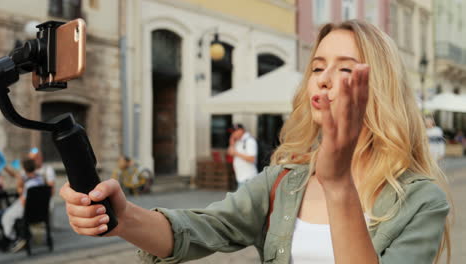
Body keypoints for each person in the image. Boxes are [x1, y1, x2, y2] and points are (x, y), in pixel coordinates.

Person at [59, 20, 452, 264]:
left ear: (378, 87)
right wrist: (124, 218)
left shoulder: (421, 201)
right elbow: (202, 228)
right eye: (317, 67)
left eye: (345, 68)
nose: (323, 77)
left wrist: (338, 186)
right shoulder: (285, 180)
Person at [0, 159, 44, 252]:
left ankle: (16, 239)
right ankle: (20, 236)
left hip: (27, 212)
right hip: (40, 212)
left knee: (5, 217)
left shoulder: (28, 184)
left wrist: (20, 187)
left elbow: (23, 202)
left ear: (24, 169)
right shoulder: (40, 179)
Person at [227, 124, 258, 189]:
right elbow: (230, 152)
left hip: (248, 179)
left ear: (241, 131)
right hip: (241, 178)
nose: (233, 134)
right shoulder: (239, 141)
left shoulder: (249, 141)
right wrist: (232, 141)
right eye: (232, 132)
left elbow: (252, 158)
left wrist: (236, 153)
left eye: (234, 131)